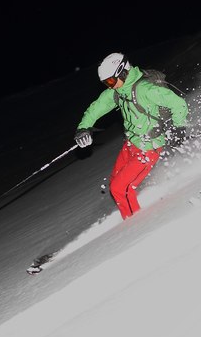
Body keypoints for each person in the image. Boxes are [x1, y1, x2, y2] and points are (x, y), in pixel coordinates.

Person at [75, 52, 189, 220]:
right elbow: (97, 107)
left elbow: (178, 103)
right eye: (106, 83)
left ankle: (134, 225)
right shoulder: (118, 91)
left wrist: (179, 128)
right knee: (115, 180)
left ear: (122, 72)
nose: (110, 86)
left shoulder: (144, 89)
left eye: (111, 81)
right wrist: (83, 128)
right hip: (132, 143)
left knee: (120, 188)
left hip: (148, 148)